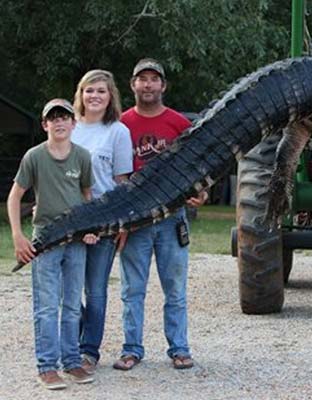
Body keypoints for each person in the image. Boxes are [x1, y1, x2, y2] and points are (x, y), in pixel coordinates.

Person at [113, 58, 207, 371]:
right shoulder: (121, 124)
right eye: (143, 79)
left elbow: (201, 161)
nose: (148, 84)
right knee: (132, 290)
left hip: (172, 218)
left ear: (163, 86)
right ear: (133, 85)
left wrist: (202, 190)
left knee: (175, 290)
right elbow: (116, 172)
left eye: (154, 79)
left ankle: (179, 349)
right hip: (136, 219)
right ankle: (131, 349)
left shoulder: (179, 123)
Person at [7, 99, 97, 389]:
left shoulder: (82, 156)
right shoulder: (34, 157)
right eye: (53, 118)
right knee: (46, 306)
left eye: (65, 117)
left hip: (75, 240)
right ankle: (47, 366)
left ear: (73, 123)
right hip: (45, 239)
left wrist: (90, 228)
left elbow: (87, 196)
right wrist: (18, 236)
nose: (59, 123)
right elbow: (14, 197)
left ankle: (71, 361)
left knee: (72, 305)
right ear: (45, 124)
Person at [71, 69, 133, 374]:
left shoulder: (117, 131)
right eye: (89, 90)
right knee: (63, 288)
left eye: (101, 91)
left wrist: (124, 223)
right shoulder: (68, 127)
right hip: (69, 220)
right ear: (80, 95)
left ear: (111, 98)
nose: (94, 96)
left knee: (94, 289)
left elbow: (122, 181)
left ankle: (88, 350)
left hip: (104, 220)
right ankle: (74, 337)